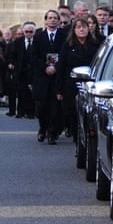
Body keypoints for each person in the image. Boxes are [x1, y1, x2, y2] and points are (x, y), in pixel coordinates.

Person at [29, 9, 67, 144]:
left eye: (55, 18)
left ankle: (51, 132)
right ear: (45, 20)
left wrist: (56, 68)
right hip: (42, 77)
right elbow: (33, 57)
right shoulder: (39, 36)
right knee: (41, 107)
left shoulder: (63, 36)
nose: (52, 20)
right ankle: (42, 128)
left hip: (57, 77)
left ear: (58, 21)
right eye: (50, 18)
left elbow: (65, 55)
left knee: (55, 108)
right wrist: (45, 67)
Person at [56, 17, 98, 137]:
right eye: (78, 27)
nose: (82, 30)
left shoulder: (95, 45)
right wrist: (59, 89)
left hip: (90, 84)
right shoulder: (67, 46)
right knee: (73, 114)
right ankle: (76, 138)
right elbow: (61, 68)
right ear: (73, 30)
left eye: (84, 27)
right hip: (71, 85)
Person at [3, 22, 34, 117]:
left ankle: (30, 112)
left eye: (31, 32)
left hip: (32, 70)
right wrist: (11, 63)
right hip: (20, 70)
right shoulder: (17, 42)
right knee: (21, 92)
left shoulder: (37, 41)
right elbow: (12, 55)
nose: (29, 33)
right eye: (27, 31)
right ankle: (20, 111)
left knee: (31, 92)